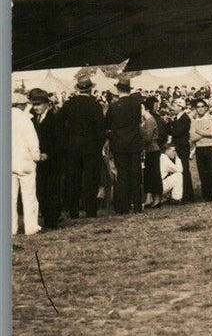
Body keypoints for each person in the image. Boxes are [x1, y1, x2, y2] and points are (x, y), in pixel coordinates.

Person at [58, 75, 106, 219]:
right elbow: (100, 128)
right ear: (91, 90)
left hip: (73, 146)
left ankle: (73, 210)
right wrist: (99, 145)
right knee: (91, 178)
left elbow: (58, 122)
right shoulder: (95, 105)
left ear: (78, 89)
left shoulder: (69, 104)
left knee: (73, 178)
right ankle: (90, 210)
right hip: (91, 147)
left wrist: (66, 141)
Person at [106, 77, 145, 214]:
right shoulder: (136, 105)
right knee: (135, 174)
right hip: (134, 143)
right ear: (129, 90)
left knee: (122, 175)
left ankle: (123, 206)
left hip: (119, 144)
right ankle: (137, 205)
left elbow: (107, 125)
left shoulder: (114, 106)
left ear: (118, 90)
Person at [29, 89, 66, 229]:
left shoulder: (54, 119)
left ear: (46, 104)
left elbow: (60, 141)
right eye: (34, 104)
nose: (36, 107)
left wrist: (48, 154)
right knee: (41, 189)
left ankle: (52, 220)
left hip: (53, 161)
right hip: (38, 161)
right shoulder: (33, 119)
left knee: (52, 189)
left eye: (38, 104)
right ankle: (46, 215)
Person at [13, 92, 43, 235]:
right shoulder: (26, 120)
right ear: (21, 105)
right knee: (29, 195)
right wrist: (36, 157)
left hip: (8, 163)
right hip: (25, 162)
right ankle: (31, 227)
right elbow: (33, 143)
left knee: (10, 198)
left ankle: (11, 227)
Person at [191, 98, 212, 200]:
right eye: (198, 107)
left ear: (206, 108)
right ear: (196, 109)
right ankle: (207, 195)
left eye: (202, 106)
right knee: (202, 172)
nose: (200, 109)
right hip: (199, 148)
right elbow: (193, 137)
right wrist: (206, 131)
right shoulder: (194, 121)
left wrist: (199, 131)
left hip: (211, 147)